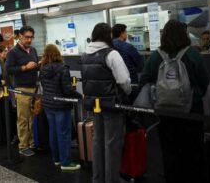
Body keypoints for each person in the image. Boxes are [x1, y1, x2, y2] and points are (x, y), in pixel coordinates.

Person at [139, 19, 210, 183]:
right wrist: (195, 96)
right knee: (193, 152)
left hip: (165, 114)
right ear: (184, 35)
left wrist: (157, 96)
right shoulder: (192, 54)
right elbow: (204, 80)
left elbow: (144, 80)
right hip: (192, 113)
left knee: (169, 152)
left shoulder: (156, 56)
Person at [81, 23, 131, 183]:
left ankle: (98, 179)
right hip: (111, 104)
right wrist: (128, 91)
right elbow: (124, 80)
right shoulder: (111, 54)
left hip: (94, 105)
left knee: (97, 142)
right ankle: (112, 180)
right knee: (112, 144)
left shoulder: (85, 54)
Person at [39, 44, 82, 170]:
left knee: (53, 132)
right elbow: (67, 90)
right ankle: (66, 162)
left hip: (48, 104)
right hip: (61, 105)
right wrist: (80, 95)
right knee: (64, 134)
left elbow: (43, 86)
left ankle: (56, 159)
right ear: (58, 54)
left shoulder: (43, 68)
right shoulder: (63, 68)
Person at [6, 25, 39, 157]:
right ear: (20, 36)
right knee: (23, 119)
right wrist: (25, 67)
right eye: (27, 37)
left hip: (34, 88)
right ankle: (23, 146)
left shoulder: (33, 50)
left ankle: (31, 143)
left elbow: (34, 66)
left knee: (32, 118)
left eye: (31, 37)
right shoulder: (13, 52)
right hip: (22, 89)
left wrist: (37, 65)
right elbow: (9, 70)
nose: (29, 40)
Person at [112, 23, 143, 100]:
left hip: (114, 84)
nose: (126, 34)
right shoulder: (128, 47)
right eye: (125, 32)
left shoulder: (108, 47)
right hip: (131, 83)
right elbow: (140, 64)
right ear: (122, 34)